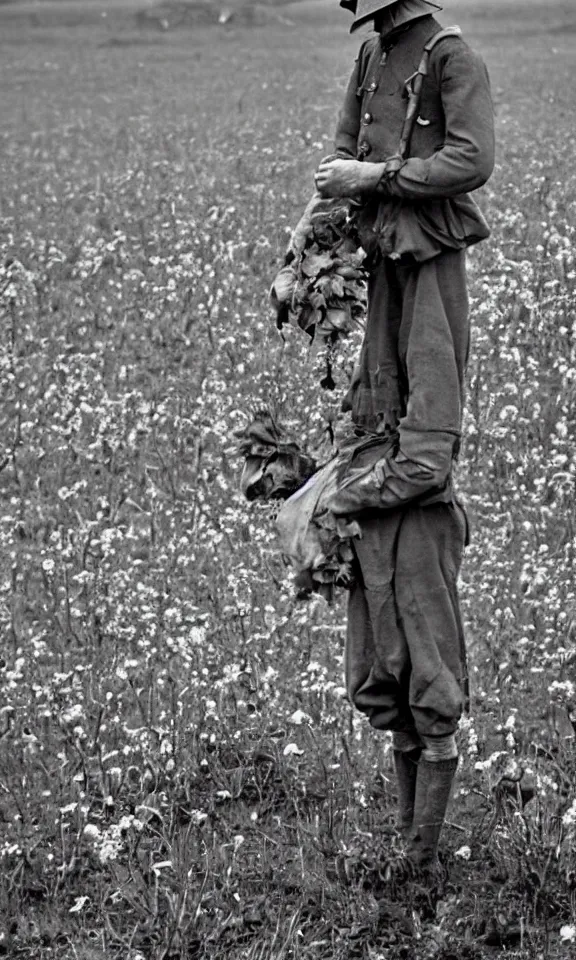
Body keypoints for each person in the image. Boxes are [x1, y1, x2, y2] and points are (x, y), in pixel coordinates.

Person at [312, 0, 496, 874]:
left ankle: (421, 865)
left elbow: (471, 159)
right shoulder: (373, 57)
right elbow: (342, 161)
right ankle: (406, 853)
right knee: (380, 675)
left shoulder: (452, 58)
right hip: (377, 509)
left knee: (429, 679)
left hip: (411, 514)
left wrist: (347, 494)